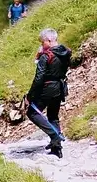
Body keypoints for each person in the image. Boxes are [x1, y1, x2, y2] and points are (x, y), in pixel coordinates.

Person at [27, 28, 72, 159]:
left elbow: (38, 78)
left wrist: (30, 95)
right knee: (53, 115)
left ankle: (54, 135)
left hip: (47, 88)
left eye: (42, 42)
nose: (42, 45)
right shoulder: (66, 52)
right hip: (60, 87)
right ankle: (56, 148)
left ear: (49, 40)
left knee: (32, 112)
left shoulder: (46, 56)